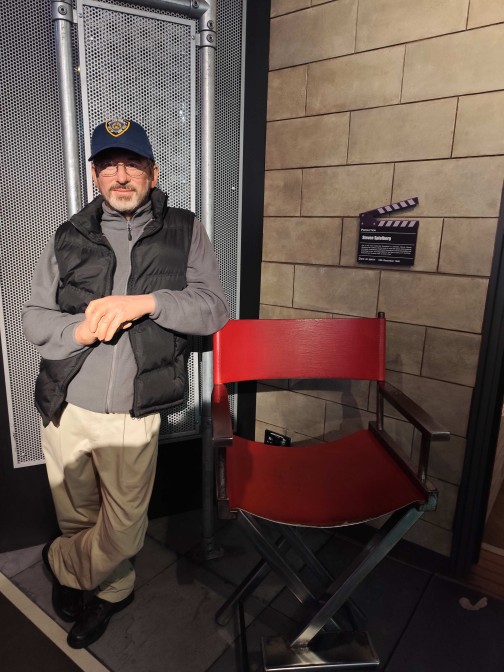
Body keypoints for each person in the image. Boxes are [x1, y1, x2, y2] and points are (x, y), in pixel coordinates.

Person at [22, 118, 229, 648]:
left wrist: (148, 302)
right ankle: (107, 590)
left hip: (133, 413)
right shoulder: (67, 235)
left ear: (152, 173)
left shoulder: (184, 230)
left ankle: (63, 566)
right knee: (76, 514)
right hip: (66, 405)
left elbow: (213, 309)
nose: (121, 175)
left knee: (123, 529)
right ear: (94, 176)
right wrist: (78, 330)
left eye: (132, 163)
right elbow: (35, 320)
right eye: (109, 165)